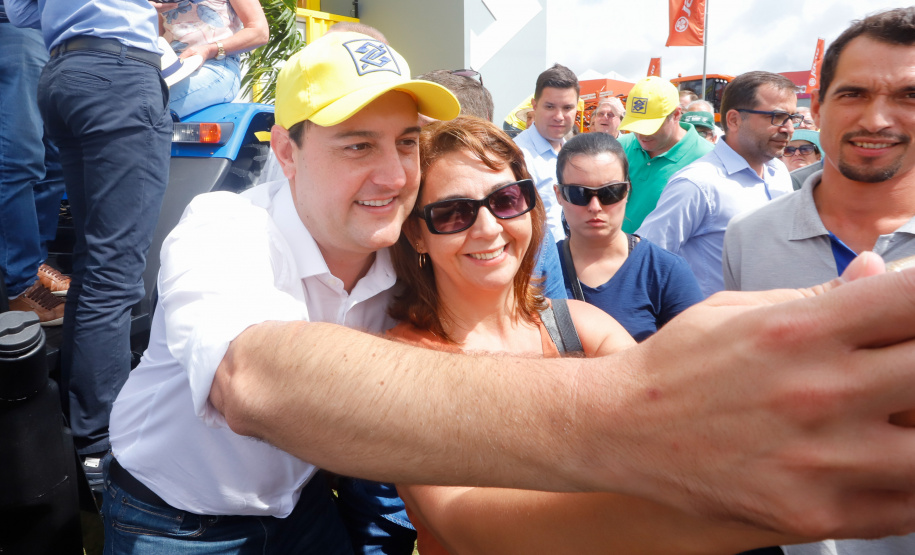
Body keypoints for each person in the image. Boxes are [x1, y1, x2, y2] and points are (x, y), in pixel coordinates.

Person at [86, 19, 915, 550]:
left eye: (405, 143)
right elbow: (252, 378)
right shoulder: (226, 230)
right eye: (354, 145)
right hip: (176, 517)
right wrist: (644, 415)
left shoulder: (403, 260)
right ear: (287, 152)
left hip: (303, 507)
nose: (390, 174)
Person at [387, 115, 813, 555]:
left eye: (506, 199)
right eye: (453, 212)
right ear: (417, 233)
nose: (488, 227)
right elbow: (465, 525)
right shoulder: (402, 362)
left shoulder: (579, 326)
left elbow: (674, 428)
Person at [722, 8, 915, 554]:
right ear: (817, 106)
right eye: (854, 94)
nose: (877, 119)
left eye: (909, 95)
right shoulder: (749, 238)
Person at [6, 0, 172, 491]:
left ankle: (78, 421)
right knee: (114, 272)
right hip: (118, 71)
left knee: (94, 260)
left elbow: (19, 12)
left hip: (63, 73)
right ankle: (102, 446)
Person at [637, 71, 798, 297]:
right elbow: (644, 263)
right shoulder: (696, 184)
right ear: (733, 120)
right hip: (717, 328)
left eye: (792, 118)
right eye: (777, 117)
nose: (789, 128)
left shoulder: (778, 171)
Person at [553, 132, 703, 341]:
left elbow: (695, 356)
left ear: (627, 191)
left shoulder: (665, 271)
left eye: (610, 192)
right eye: (579, 193)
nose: (595, 207)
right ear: (558, 194)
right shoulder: (537, 270)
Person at [0, 0, 68, 325]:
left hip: (50, 36)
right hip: (12, 29)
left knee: (53, 157)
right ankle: (24, 287)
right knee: (20, 160)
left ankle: (36, 265)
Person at [617, 76, 713, 233]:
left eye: (650, 126)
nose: (642, 135)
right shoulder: (619, 148)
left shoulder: (707, 158)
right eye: (636, 125)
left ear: (676, 115)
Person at [151, 0, 268, 118]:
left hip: (218, 65)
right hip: (173, 69)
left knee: (147, 105)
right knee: (140, 101)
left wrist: (209, 50)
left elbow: (260, 31)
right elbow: (160, 35)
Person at [513, 63, 579, 239]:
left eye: (567, 108)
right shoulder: (516, 156)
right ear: (534, 106)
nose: (558, 116)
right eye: (550, 107)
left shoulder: (574, 154)